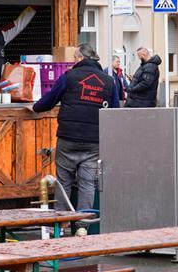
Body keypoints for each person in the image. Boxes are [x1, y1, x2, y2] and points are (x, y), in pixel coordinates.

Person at [31, 43, 117, 219]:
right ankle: (82, 227)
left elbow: (47, 101)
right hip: (94, 142)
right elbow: (115, 112)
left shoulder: (69, 77)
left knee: (64, 182)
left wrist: (35, 107)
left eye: (74, 58)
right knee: (87, 184)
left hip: (68, 138)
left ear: (80, 58)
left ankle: (61, 224)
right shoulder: (109, 82)